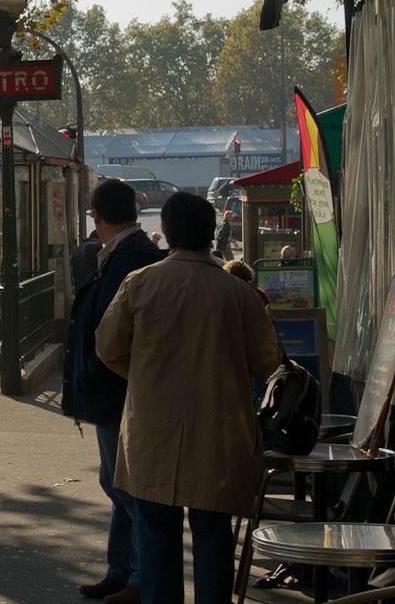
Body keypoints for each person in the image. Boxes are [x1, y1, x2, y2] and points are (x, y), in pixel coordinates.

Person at [98, 193, 282, 604]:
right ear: (209, 230)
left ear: (168, 231)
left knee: (156, 533)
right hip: (219, 430)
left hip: (152, 430)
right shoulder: (237, 292)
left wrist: (146, 376)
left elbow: (108, 347)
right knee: (213, 534)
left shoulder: (141, 283)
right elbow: (265, 359)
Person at [62, 179, 165, 604]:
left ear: (96, 217)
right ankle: (123, 569)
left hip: (115, 388)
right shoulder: (130, 254)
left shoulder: (123, 259)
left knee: (124, 484)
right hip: (117, 384)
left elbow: (114, 331)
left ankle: (138, 574)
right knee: (117, 481)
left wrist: (91, 374)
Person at [70, 228, 102, 294]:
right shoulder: (95, 247)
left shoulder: (79, 248)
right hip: (91, 287)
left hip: (79, 286)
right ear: (98, 237)